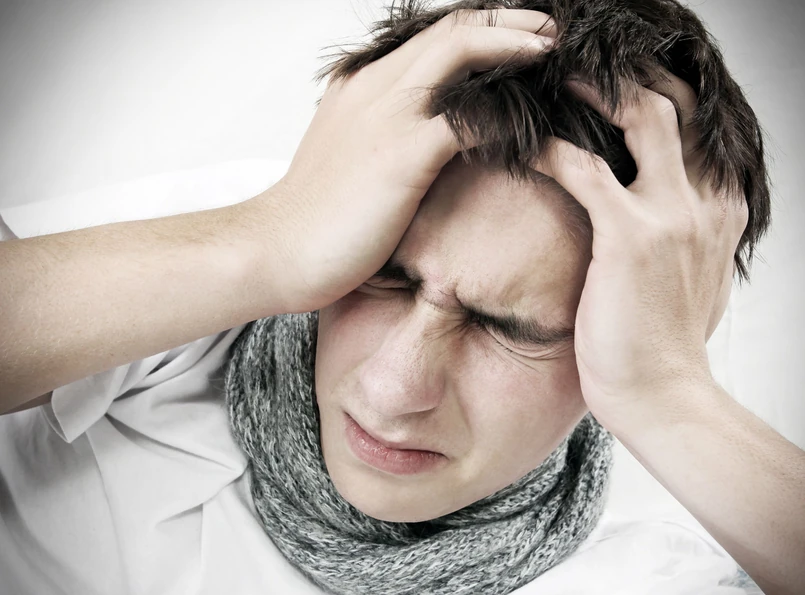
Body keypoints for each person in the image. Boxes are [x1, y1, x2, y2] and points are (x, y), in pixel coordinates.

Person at [0, 1, 803, 594]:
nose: (391, 389)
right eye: (385, 276)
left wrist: (668, 392)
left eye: (510, 327)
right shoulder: (241, 248)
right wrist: (267, 241)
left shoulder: (651, 566)